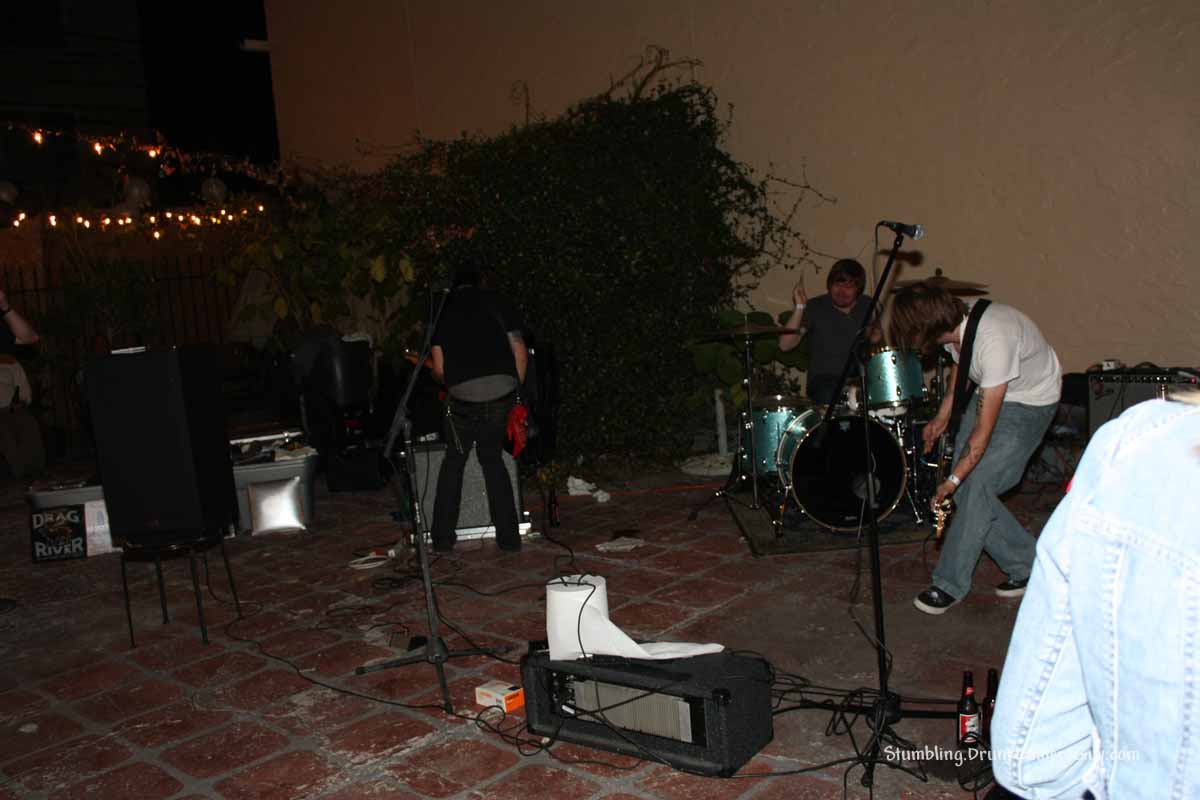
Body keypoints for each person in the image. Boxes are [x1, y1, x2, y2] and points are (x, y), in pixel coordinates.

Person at [991, 391, 1200, 798]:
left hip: (1026, 404)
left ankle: (1009, 566)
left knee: (974, 490)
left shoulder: (1142, 440)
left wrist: (953, 477)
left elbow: (1031, 760)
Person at [889, 281, 1061, 615]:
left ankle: (948, 584)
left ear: (928, 329)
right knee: (970, 491)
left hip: (1029, 402)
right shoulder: (957, 320)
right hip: (993, 388)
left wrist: (952, 481)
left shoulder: (995, 339)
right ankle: (1030, 564)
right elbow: (963, 362)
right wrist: (943, 415)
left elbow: (981, 437)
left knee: (975, 483)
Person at [429, 265, 526, 553]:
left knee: (454, 461)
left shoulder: (442, 311)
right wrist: (515, 391)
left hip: (463, 399)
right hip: (501, 394)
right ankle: (509, 540)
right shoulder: (497, 302)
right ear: (480, 281)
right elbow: (519, 349)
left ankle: (442, 539)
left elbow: (440, 370)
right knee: (492, 460)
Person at [777, 259, 874, 405]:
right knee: (831, 393)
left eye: (848, 286)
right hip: (824, 382)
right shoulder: (816, 307)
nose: (841, 291)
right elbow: (785, 345)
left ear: (858, 289)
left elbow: (879, 340)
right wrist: (799, 307)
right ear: (829, 284)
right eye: (837, 284)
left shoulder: (867, 305)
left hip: (860, 380)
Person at [0, 288, 44, 480]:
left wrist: (5, 307)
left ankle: (32, 474)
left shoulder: (7, 361)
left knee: (25, 424)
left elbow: (29, 337)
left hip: (7, 409)